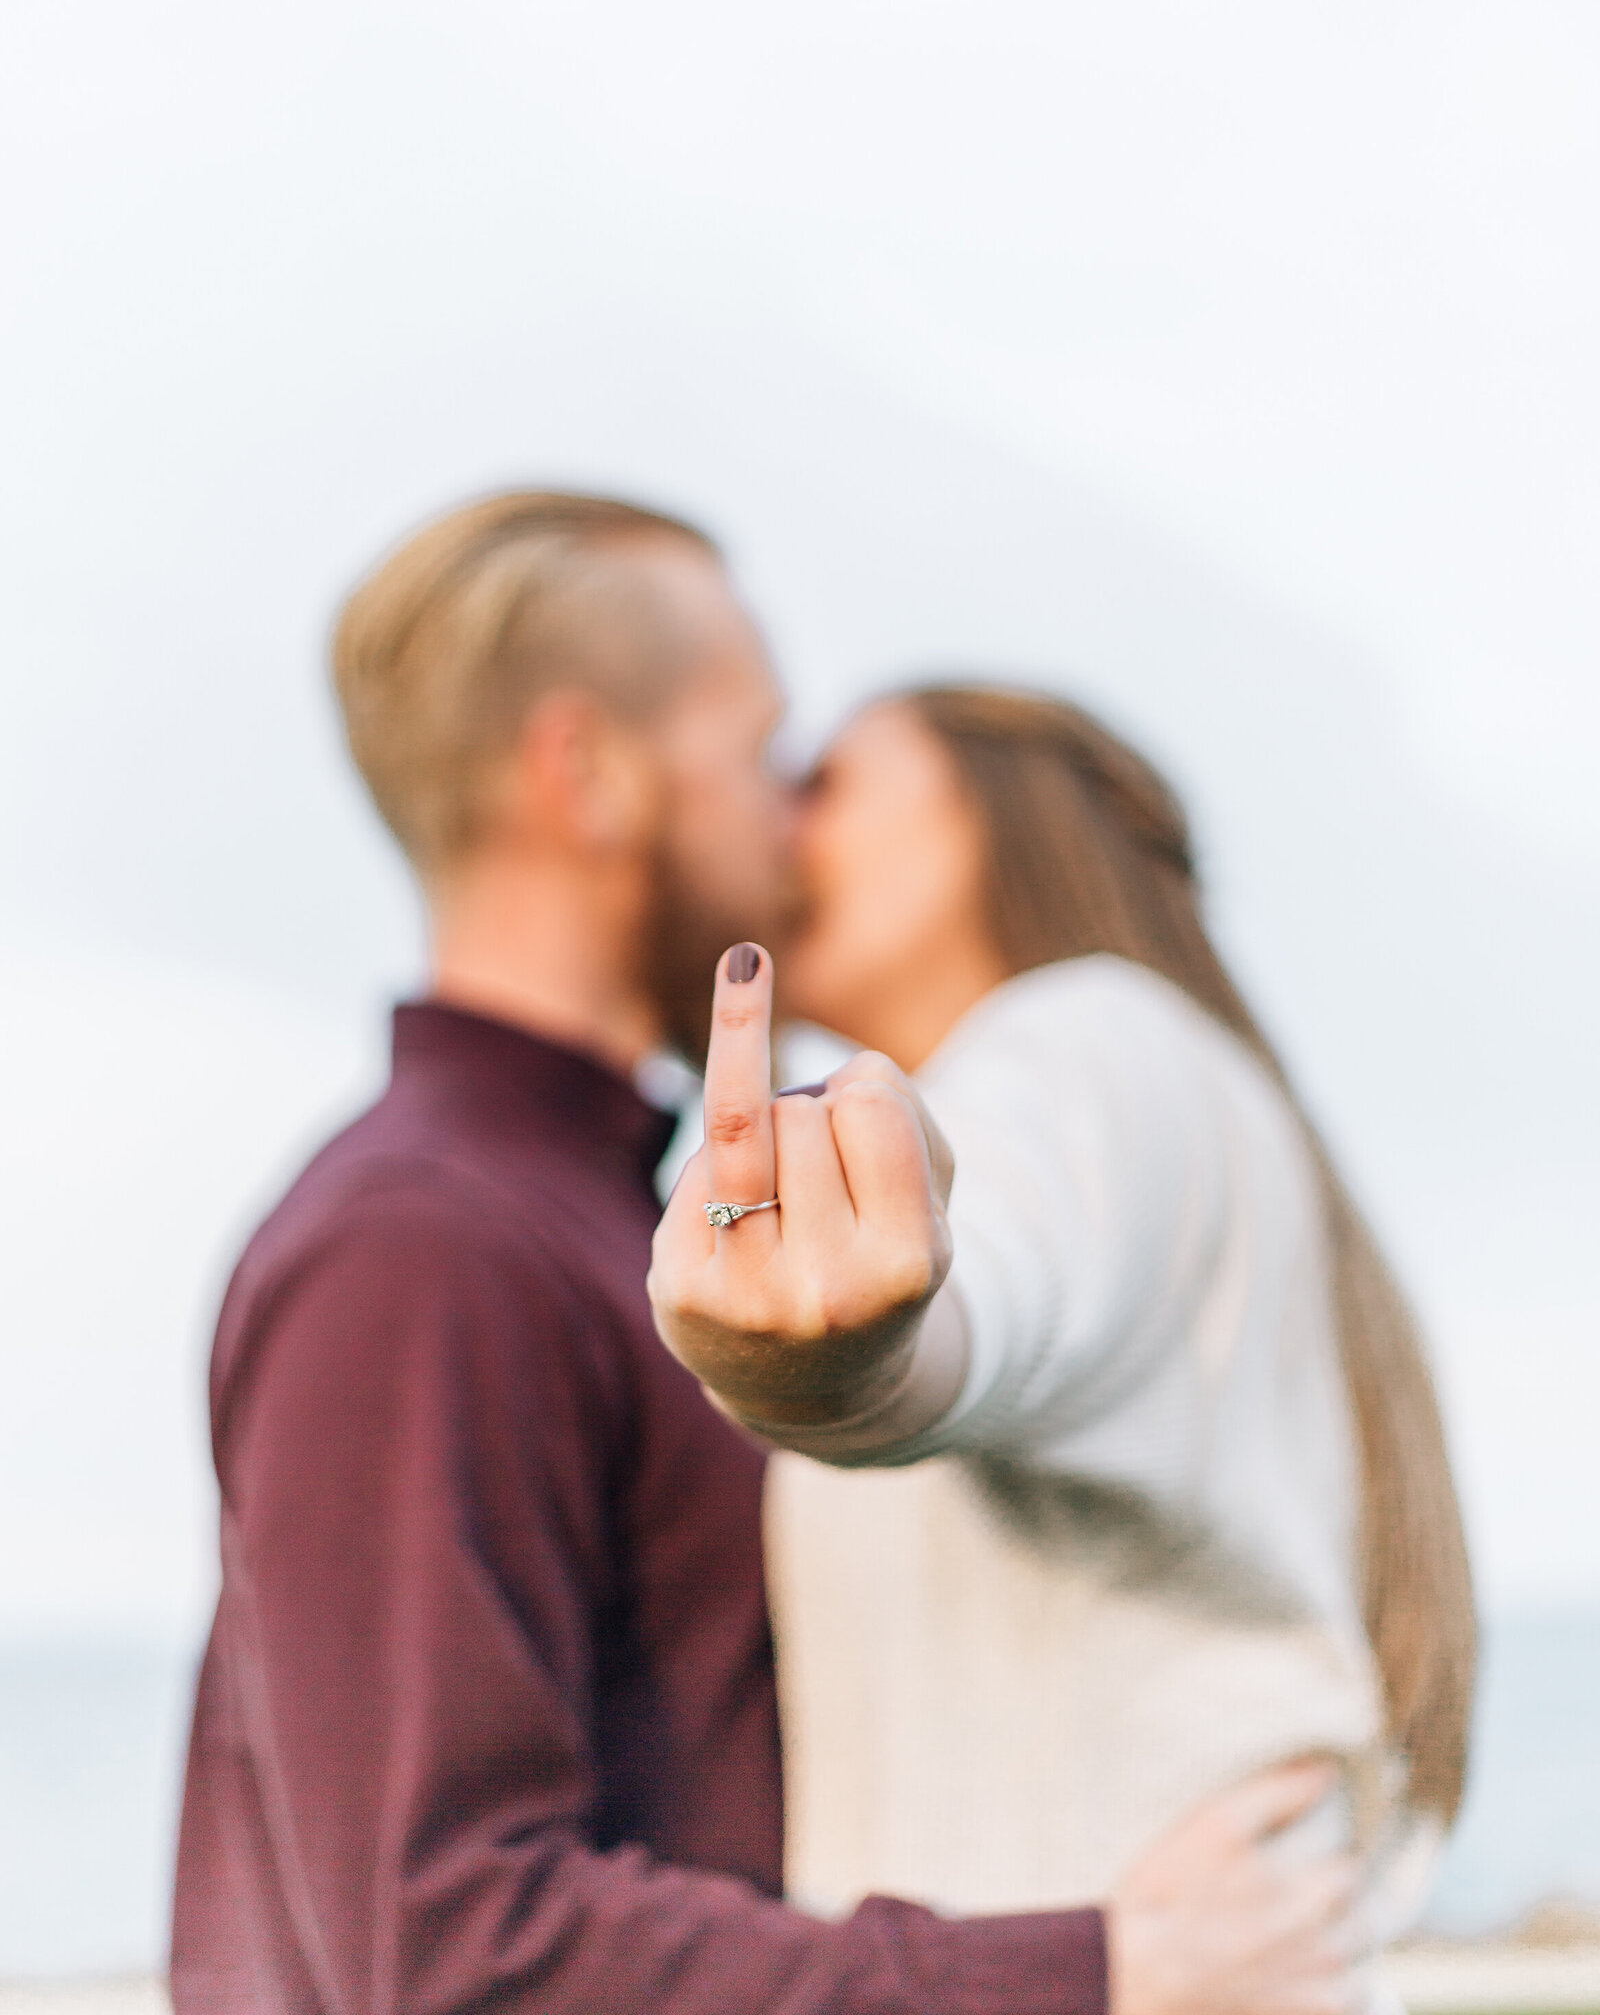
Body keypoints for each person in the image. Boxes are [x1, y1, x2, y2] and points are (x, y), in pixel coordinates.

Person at [173, 492, 1364, 2015]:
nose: (789, 830)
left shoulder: (601, 1222)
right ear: (588, 776)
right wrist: (1085, 1970)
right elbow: (448, 1950)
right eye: (761, 757)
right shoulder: (420, 1248)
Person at [650, 687, 1475, 1976]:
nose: (778, 821)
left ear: (1003, 815)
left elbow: (1004, 1284)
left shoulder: (1089, 1041)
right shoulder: (1160, 1080)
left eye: (827, 782)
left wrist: (838, 1366)